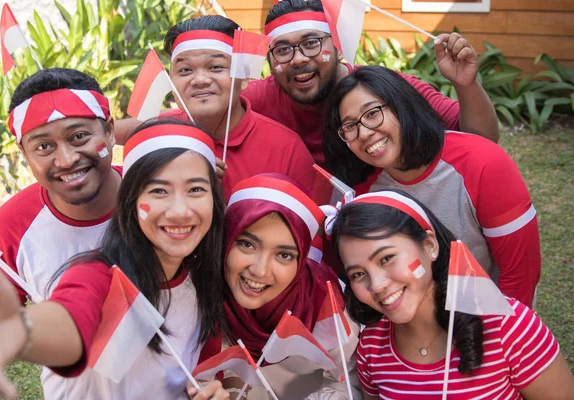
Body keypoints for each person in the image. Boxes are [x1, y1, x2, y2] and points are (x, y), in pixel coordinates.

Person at [0, 119, 230, 400]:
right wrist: (21, 330)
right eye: (159, 191)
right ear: (130, 202)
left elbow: (201, 372)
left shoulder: (206, 275)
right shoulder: (98, 274)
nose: (180, 211)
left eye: (195, 189)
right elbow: (69, 319)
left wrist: (210, 390)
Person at [322, 66, 540, 307]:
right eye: (350, 127)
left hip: (490, 313)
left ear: (402, 105)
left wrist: (504, 335)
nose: (363, 133)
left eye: (372, 113)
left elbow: (521, 274)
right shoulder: (362, 192)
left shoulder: (482, 162)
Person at [326, 189, 574, 399]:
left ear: (430, 245)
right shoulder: (371, 346)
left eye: (387, 258)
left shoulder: (508, 325)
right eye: (358, 274)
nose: (377, 285)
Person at [241, 0, 500, 166]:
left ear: (338, 45)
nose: (297, 59)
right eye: (283, 50)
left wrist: (466, 84)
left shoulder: (380, 88)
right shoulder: (258, 98)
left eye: (311, 43)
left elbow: (482, 139)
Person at [116, 16, 316, 200]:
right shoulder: (155, 138)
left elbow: (312, 233)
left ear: (243, 77)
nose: (200, 80)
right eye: (185, 70)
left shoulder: (286, 149)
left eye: (216, 67)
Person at [0, 68, 121, 304]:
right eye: (44, 147)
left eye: (79, 137)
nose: (67, 160)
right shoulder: (5, 232)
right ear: (24, 154)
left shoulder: (161, 191)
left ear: (109, 131)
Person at [221, 174, 362, 399]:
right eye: (247, 244)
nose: (259, 270)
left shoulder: (327, 307)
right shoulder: (206, 293)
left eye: (284, 255)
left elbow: (351, 381)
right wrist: (232, 390)